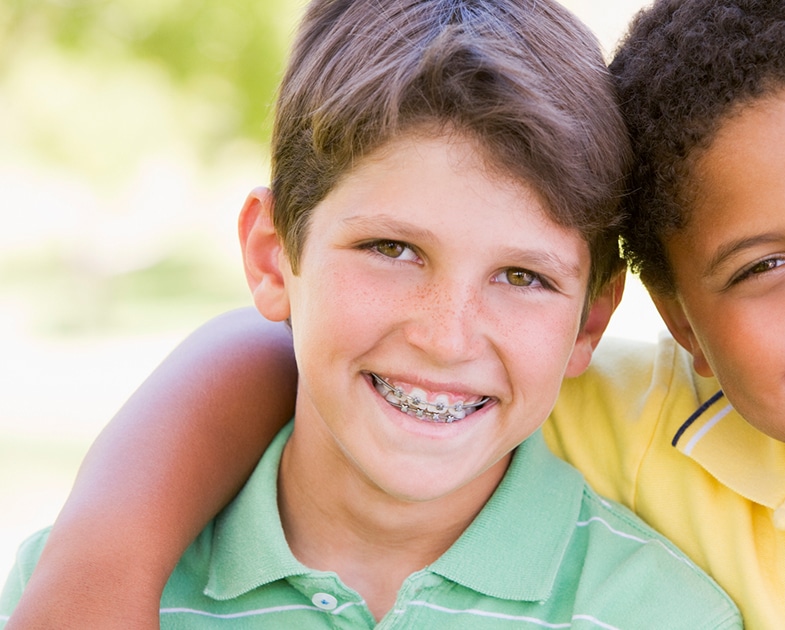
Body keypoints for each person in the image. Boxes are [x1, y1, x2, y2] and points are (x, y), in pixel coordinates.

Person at [6, 0, 785, 627]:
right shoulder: (637, 424)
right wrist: (100, 570)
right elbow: (276, 352)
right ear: (676, 319)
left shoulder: (645, 575)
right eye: (761, 264)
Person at [0, 1, 746, 628]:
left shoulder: (658, 611)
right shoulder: (76, 589)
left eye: (522, 276)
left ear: (590, 320)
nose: (446, 336)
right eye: (391, 249)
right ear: (271, 257)